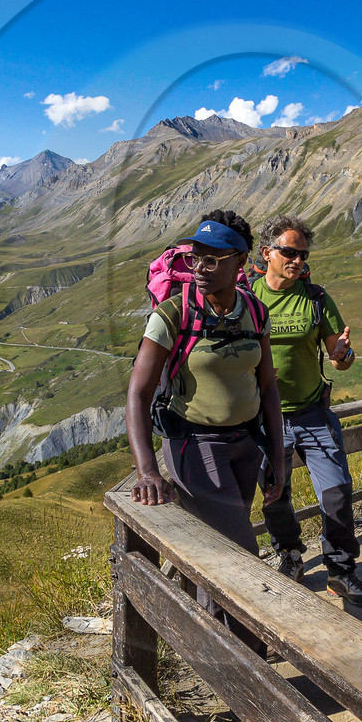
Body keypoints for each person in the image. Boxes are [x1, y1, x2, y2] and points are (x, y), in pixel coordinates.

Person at [125, 211, 288, 639]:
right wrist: (146, 471)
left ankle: (211, 644)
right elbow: (138, 394)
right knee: (240, 556)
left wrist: (276, 452)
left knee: (219, 552)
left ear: (241, 262)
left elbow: (268, 385)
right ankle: (250, 659)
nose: (200, 266)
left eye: (214, 259)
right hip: (194, 447)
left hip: (245, 446)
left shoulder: (254, 310)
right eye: (197, 255)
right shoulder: (172, 314)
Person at [252, 214, 362, 608]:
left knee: (337, 492)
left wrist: (343, 355)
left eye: (303, 254)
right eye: (289, 252)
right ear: (267, 252)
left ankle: (340, 571)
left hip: (311, 411)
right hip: (264, 417)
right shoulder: (247, 296)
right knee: (275, 494)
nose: (297, 260)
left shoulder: (316, 297)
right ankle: (290, 554)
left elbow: (339, 357)